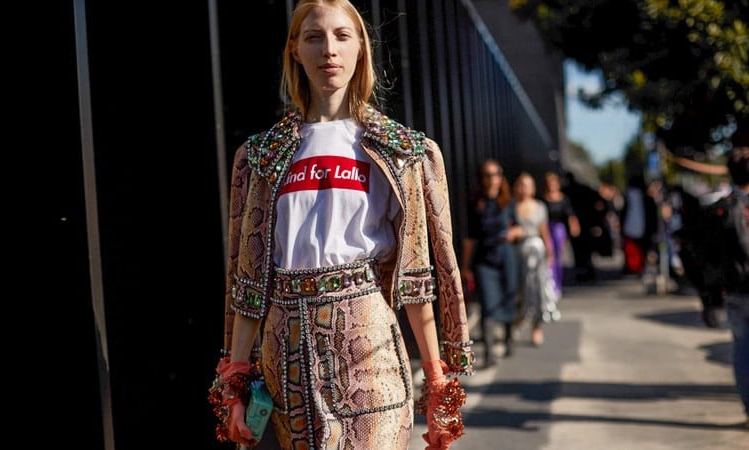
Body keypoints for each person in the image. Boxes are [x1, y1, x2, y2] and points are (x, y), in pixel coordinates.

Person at [207, 1, 474, 449]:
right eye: (314, 36)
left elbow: (418, 277)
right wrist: (235, 379)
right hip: (286, 351)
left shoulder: (401, 150)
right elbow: (249, 280)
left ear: (360, 48)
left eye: (341, 35)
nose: (328, 49)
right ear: (294, 49)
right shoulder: (260, 156)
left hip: (369, 341)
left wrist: (438, 379)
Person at [697, 143, 749, 428]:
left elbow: (709, 257)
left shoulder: (721, 209)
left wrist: (710, 298)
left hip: (736, 290)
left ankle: (748, 407)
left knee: (742, 352)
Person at [461, 160, 520, 368]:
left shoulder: (508, 201)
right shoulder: (476, 202)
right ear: (482, 178)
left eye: (495, 173)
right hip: (484, 259)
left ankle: (509, 336)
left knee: (508, 295)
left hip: (506, 256)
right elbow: (470, 238)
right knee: (487, 303)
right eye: (487, 174)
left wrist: (513, 233)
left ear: (500, 176)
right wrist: (465, 267)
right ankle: (489, 353)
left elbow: (519, 228)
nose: (492, 178)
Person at [512, 172, 556, 346]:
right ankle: (517, 320)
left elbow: (544, 231)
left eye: (527, 185)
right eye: (521, 185)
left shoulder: (539, 207)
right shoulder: (512, 207)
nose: (524, 189)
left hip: (536, 254)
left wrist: (549, 251)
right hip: (517, 253)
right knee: (519, 290)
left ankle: (536, 327)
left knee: (537, 290)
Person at [540, 170, 580, 299]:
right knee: (549, 257)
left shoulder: (563, 198)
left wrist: (574, 226)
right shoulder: (543, 199)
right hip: (546, 228)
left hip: (558, 229)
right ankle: (550, 285)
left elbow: (569, 214)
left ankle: (557, 284)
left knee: (557, 258)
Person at [620, 174, 658, 275]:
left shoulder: (627, 197)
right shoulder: (646, 198)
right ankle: (639, 267)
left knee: (632, 250)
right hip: (643, 230)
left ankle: (634, 267)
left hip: (631, 229)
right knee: (641, 250)